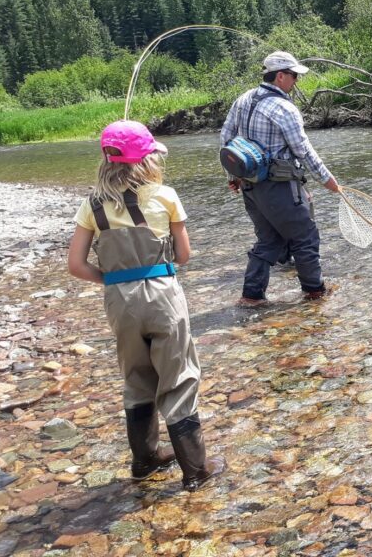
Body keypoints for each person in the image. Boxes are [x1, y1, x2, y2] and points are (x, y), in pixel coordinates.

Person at [67, 120, 225, 492]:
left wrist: (112, 280)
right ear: (147, 161)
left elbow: (76, 265)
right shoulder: (165, 195)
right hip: (162, 294)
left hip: (118, 300)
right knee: (180, 378)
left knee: (137, 379)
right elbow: (184, 256)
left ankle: (146, 461)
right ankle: (195, 470)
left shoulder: (91, 203)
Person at [221, 50, 342, 307]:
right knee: (305, 236)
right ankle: (315, 293)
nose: (296, 80)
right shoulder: (284, 108)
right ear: (279, 76)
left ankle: (251, 296)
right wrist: (327, 180)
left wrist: (233, 175)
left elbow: (226, 138)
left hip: (250, 186)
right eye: (294, 75)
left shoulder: (242, 99)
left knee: (269, 239)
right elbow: (303, 150)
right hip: (279, 187)